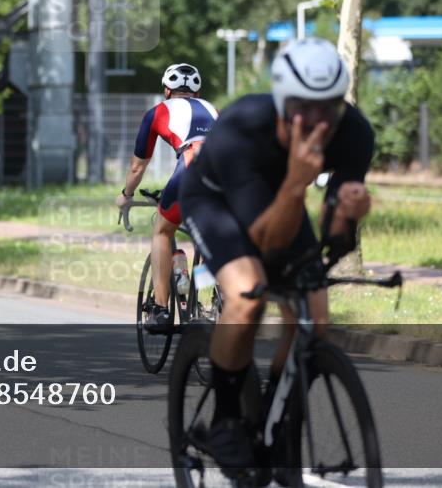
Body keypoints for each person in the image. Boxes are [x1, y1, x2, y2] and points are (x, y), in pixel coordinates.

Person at [179, 38, 374, 469]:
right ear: (284, 103)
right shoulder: (242, 130)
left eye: (330, 107)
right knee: (248, 292)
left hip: (279, 201)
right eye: (306, 108)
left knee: (315, 318)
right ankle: (226, 421)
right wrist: (295, 182)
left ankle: (278, 425)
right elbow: (266, 245)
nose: (319, 121)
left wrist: (348, 215)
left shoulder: (354, 133)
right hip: (215, 202)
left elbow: (332, 239)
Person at [115, 63, 218, 330]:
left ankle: (161, 310)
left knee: (162, 231)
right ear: (197, 93)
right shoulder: (212, 109)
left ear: (166, 90)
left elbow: (138, 166)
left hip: (193, 166)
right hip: (230, 171)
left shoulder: (158, 111)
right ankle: (214, 294)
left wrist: (126, 195)